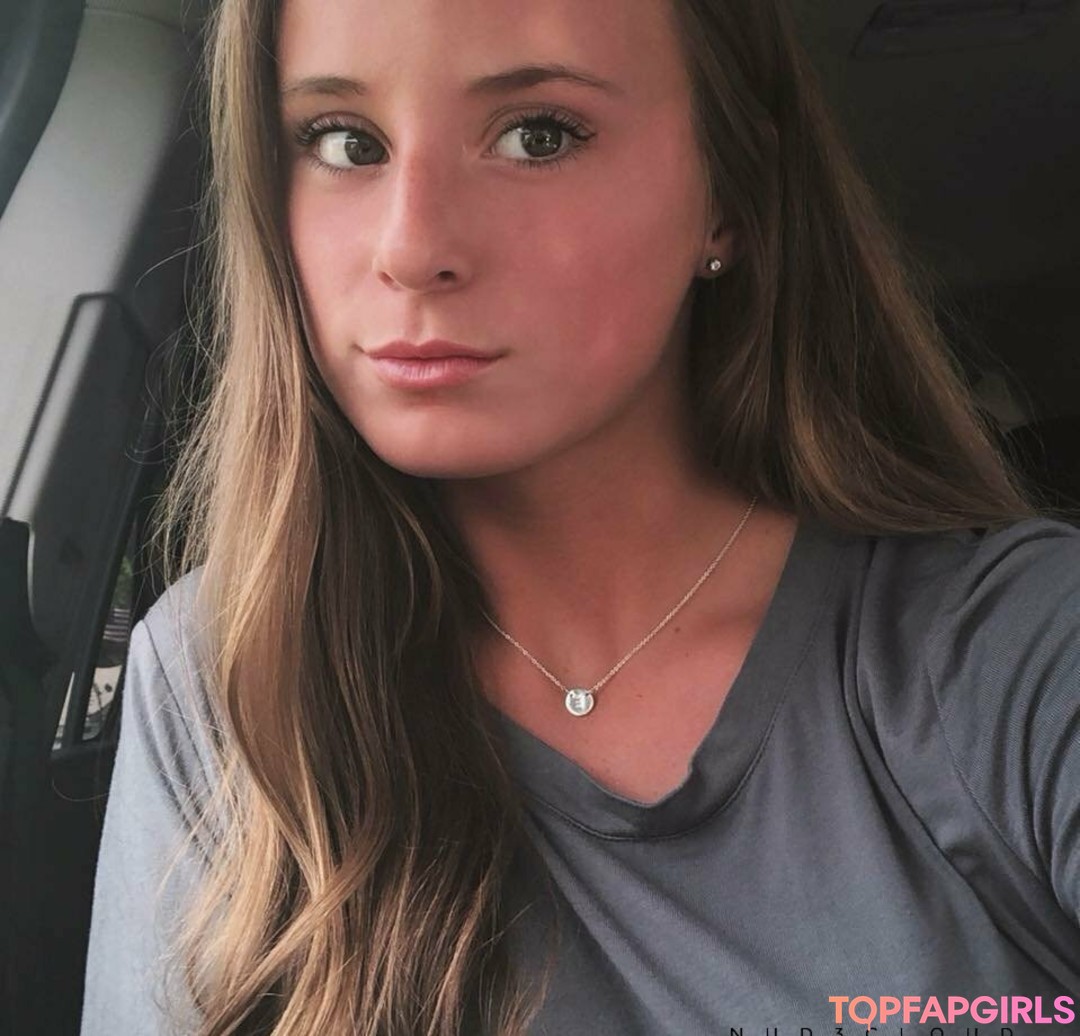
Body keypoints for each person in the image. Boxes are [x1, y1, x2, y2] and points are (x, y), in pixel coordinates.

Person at [81, 0, 1080, 1032]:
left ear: (728, 195)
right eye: (346, 143)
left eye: (538, 135)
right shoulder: (225, 680)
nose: (411, 246)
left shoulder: (1011, 649)